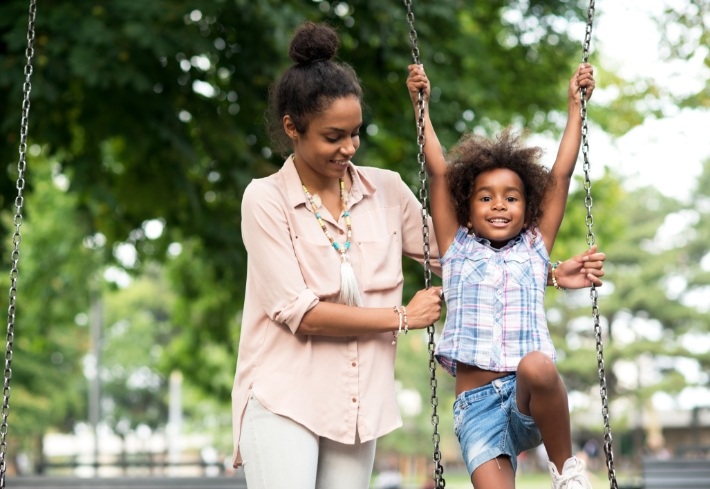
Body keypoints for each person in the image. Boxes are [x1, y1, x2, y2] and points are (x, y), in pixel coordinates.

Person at [231, 21, 605, 489]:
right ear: (293, 128)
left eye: (356, 133)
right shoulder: (264, 199)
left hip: (355, 403)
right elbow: (298, 312)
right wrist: (402, 316)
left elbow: (467, 258)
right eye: (333, 136)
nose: (348, 147)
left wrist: (548, 272)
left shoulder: (385, 190)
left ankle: (565, 470)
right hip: (285, 394)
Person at [406, 62, 598, 489]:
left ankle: (567, 474)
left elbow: (561, 175)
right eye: (486, 197)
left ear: (526, 207)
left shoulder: (535, 248)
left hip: (526, 399)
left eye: (511, 198)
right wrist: (421, 109)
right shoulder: (455, 248)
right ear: (466, 208)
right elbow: (437, 171)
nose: (498, 205)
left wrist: (575, 107)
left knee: (538, 365)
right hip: (476, 408)